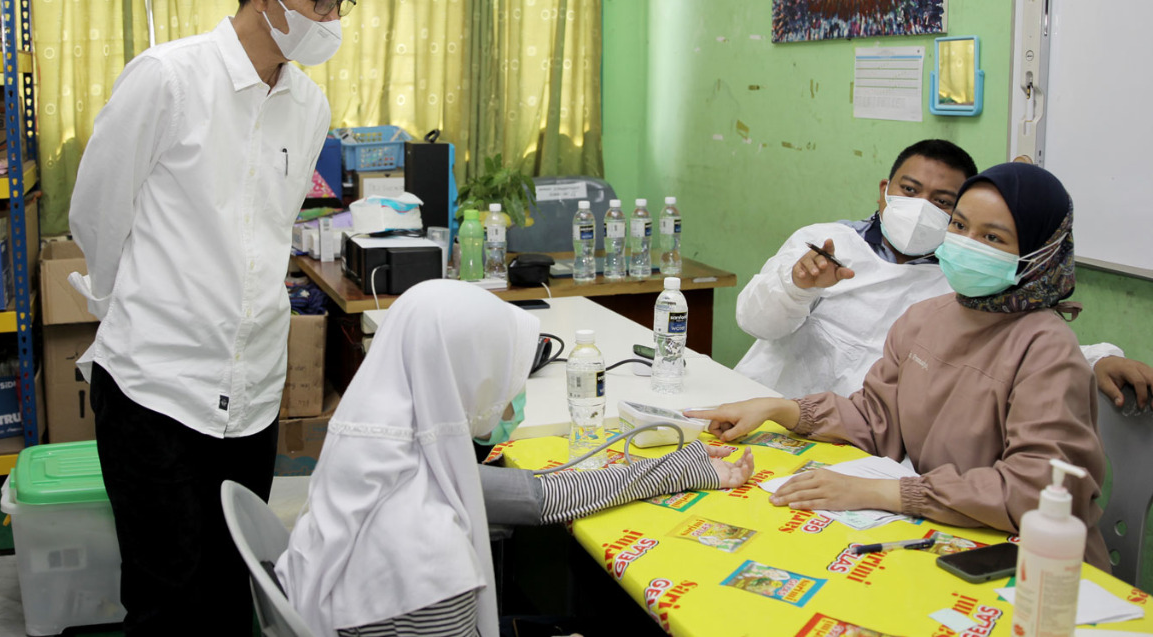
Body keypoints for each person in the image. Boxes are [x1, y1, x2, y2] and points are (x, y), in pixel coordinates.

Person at [67, 0, 354, 635]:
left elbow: (269, 230)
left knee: (233, 590)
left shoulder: (309, 105)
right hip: (156, 387)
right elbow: (98, 212)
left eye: (342, 2)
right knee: (167, 598)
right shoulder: (167, 79)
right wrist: (135, 305)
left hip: (251, 395)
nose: (333, 18)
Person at [275, 280, 755, 637]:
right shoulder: (425, 553)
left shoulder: (373, 450)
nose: (513, 388)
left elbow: (536, 495)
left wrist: (682, 467)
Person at [694, 163, 1110, 568]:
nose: (968, 243)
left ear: (1040, 254)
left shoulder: (1047, 348)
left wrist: (888, 493)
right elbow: (878, 419)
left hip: (1029, 564)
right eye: (960, 226)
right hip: (939, 536)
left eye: (993, 237)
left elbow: (1035, 490)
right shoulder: (926, 317)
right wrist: (777, 409)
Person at [732, 138, 1142, 400]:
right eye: (909, 191)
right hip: (766, 405)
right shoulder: (828, 243)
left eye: (944, 201)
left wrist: (1099, 360)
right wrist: (797, 287)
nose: (922, 207)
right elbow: (754, 322)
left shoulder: (964, 278)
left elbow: (1024, 342)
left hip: (860, 442)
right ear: (884, 192)